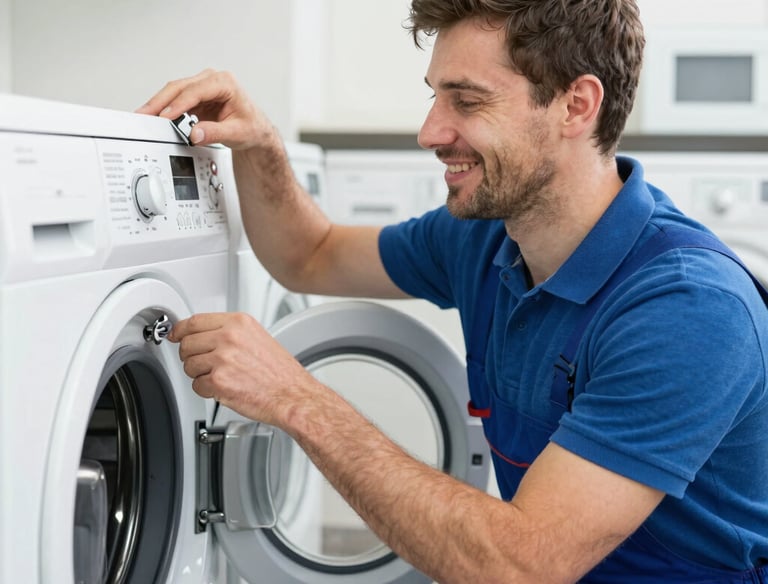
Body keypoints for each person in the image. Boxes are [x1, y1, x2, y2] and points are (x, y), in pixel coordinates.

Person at [137, 0, 768, 581]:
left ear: (576, 106)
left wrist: (296, 399)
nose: (430, 132)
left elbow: (518, 567)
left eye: (466, 102)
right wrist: (260, 144)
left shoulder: (688, 307)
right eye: (436, 97)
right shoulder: (486, 238)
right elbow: (311, 254)